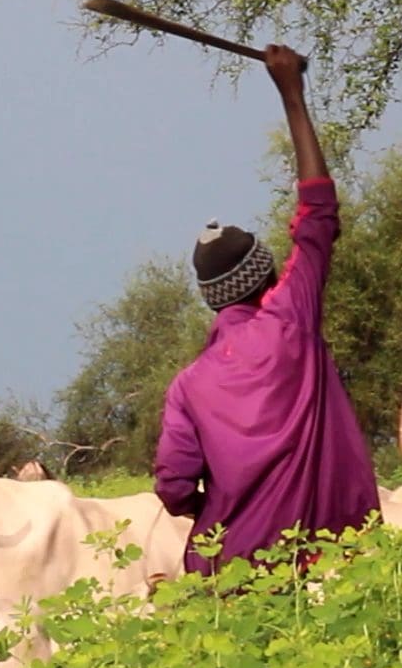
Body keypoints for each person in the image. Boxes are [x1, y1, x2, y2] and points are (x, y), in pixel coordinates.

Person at [153, 44, 380, 577]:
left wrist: (219, 507)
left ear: (211, 296)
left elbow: (174, 485)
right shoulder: (290, 321)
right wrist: (291, 94)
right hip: (332, 570)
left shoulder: (188, 385)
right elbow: (318, 210)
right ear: (268, 274)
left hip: (229, 578)